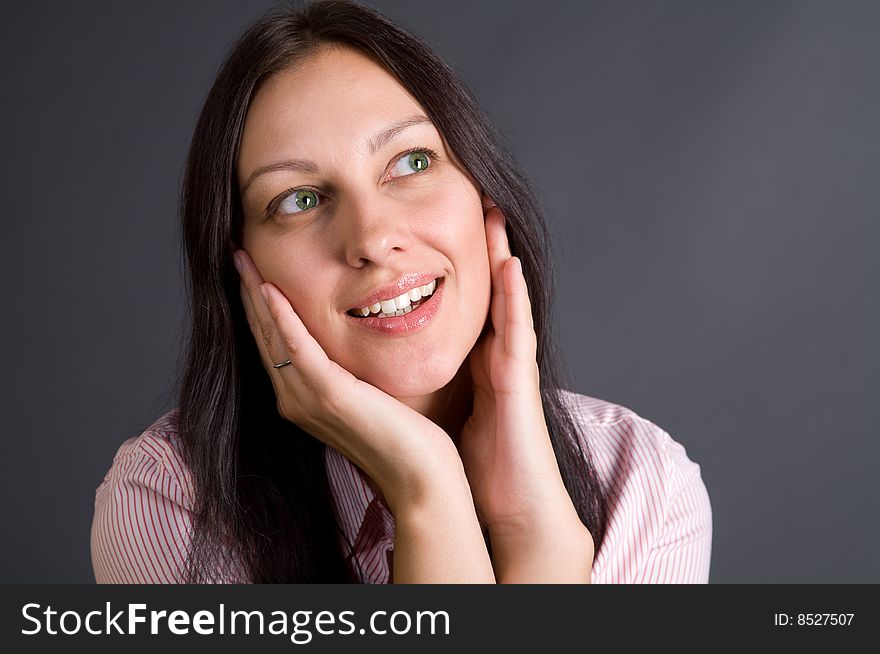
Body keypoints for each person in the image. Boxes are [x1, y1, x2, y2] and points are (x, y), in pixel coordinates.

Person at [91, 0, 712, 584]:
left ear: (483, 192)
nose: (373, 237)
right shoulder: (172, 501)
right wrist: (428, 492)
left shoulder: (640, 483)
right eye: (299, 200)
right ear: (243, 269)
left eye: (411, 162)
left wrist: (538, 536)